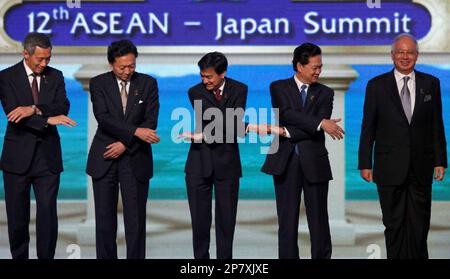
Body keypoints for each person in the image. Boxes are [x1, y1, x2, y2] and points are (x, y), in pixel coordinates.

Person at [358, 33, 447, 259]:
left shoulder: (431, 84)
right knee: (394, 225)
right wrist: (365, 163)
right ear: (392, 55)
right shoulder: (376, 86)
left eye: (409, 52)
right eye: (400, 52)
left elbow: (437, 124)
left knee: (419, 226)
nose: (404, 57)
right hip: (389, 166)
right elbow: (368, 126)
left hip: (421, 165)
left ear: (417, 55)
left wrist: (440, 161)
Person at [261, 42, 345, 259]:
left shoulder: (326, 93)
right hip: (285, 162)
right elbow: (287, 115)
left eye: (320, 67)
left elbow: (305, 127)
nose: (318, 71)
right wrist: (320, 123)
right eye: (314, 67)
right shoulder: (278, 87)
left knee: (319, 221)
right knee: (287, 222)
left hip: (314, 163)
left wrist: (288, 131)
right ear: (299, 66)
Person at [0, 32, 76, 259]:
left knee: (47, 216)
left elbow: (63, 105)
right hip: (16, 159)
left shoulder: (56, 76)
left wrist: (34, 109)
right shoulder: (6, 77)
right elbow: (14, 114)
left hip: (48, 158)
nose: (44, 64)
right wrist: (47, 119)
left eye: (48, 59)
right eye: (40, 60)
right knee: (17, 218)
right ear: (25, 53)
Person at [86, 39, 160, 259]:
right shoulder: (98, 83)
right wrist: (134, 133)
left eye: (132, 65)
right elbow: (104, 118)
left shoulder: (148, 84)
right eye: (122, 67)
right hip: (105, 157)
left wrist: (125, 143)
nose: (128, 70)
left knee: (136, 222)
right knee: (105, 222)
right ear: (111, 64)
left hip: (135, 158)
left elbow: (150, 121)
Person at [179, 52, 248, 259]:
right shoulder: (195, 92)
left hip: (228, 164)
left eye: (209, 76)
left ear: (223, 73)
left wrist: (202, 135)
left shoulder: (240, 89)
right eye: (202, 76)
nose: (204, 80)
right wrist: (242, 126)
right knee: (200, 223)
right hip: (199, 164)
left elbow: (233, 124)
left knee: (226, 222)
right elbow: (217, 121)